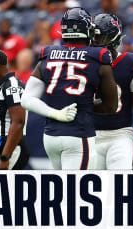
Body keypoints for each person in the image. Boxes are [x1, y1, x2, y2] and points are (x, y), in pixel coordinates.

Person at [21, 7, 118, 170]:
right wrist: (85, 107)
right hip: (78, 135)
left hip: (50, 136)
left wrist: (55, 113)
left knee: (63, 189)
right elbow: (111, 105)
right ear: (87, 30)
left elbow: (26, 100)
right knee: (76, 191)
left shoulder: (48, 53)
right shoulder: (98, 55)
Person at [93, 13, 133, 170]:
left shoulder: (130, 64)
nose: (96, 42)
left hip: (120, 135)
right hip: (89, 135)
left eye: (101, 38)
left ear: (114, 38)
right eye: (94, 37)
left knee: (120, 187)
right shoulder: (83, 62)